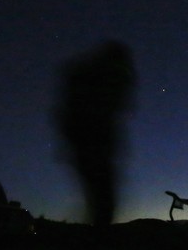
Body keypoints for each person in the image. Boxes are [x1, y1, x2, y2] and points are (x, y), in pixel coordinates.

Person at [56, 40, 134, 228]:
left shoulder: (88, 82)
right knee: (103, 204)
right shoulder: (96, 87)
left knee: (99, 204)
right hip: (93, 149)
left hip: (90, 149)